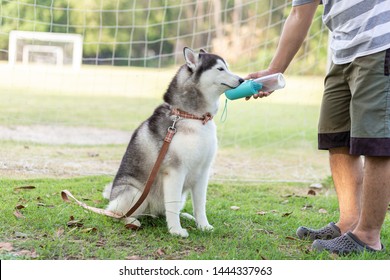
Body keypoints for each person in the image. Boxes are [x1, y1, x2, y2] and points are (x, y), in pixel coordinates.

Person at [246, 0, 390, 254]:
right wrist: (273, 72)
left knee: (375, 140)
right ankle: (349, 222)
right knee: (336, 136)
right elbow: (300, 14)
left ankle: (368, 236)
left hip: (380, 43)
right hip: (343, 51)